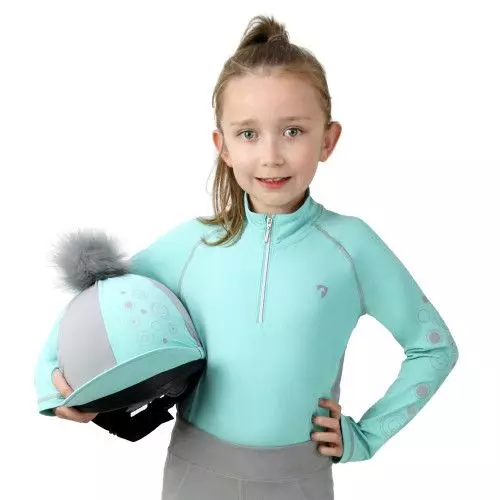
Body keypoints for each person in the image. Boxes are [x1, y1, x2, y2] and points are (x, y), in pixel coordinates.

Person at [51, 14, 459, 500]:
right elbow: (94, 302)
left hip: (299, 480)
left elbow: (434, 346)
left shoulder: (353, 247)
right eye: (248, 134)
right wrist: (55, 387)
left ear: (328, 140)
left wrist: (366, 436)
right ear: (222, 146)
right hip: (194, 476)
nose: (271, 155)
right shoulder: (191, 246)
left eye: (293, 131)